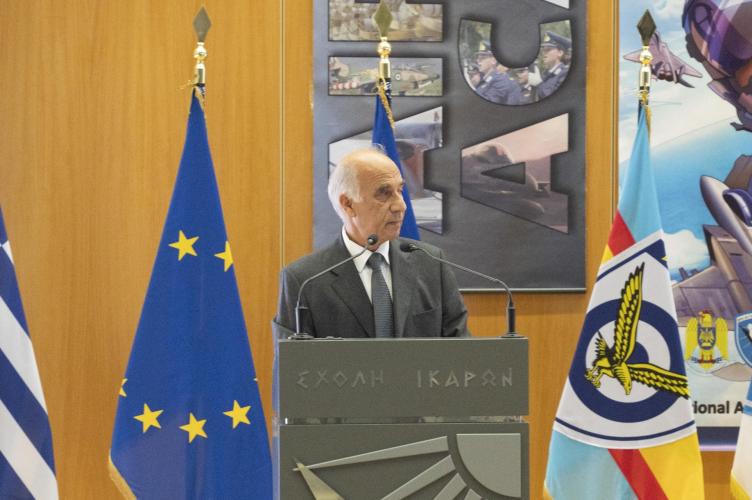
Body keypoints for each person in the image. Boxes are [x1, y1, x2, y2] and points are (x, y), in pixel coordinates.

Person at [275, 148, 469, 338]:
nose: (401, 205)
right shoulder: (304, 281)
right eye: (384, 193)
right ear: (348, 204)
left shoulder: (432, 264)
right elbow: (292, 359)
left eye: (400, 190)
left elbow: (461, 349)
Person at [536, 31, 571, 100]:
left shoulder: (565, 73)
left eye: (548, 50)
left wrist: (539, 83)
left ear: (560, 53)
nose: (544, 53)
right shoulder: (545, 73)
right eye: (543, 50)